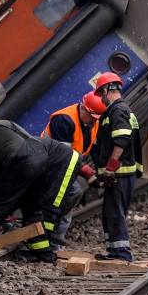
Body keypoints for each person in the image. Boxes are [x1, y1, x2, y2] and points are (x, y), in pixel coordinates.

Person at [0, 108, 91, 262]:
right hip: (41, 161)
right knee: (32, 210)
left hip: (21, 163)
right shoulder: (5, 125)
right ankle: (44, 254)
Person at [40, 91, 106, 248]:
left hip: (68, 165)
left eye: (96, 119)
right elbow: (63, 156)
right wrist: (87, 172)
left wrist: (101, 171)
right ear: (84, 108)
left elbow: (92, 148)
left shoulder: (92, 121)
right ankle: (49, 234)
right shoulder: (64, 120)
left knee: (70, 197)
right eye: (92, 118)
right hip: (50, 164)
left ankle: (55, 241)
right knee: (72, 193)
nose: (93, 122)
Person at [91, 72, 141, 262]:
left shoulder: (118, 111)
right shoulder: (120, 110)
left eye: (100, 94)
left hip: (119, 173)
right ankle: (115, 252)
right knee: (111, 213)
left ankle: (121, 254)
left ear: (106, 90)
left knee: (115, 213)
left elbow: (122, 140)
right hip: (120, 174)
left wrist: (111, 167)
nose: (101, 99)